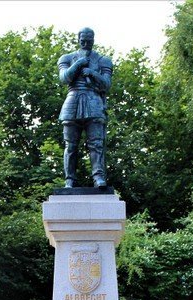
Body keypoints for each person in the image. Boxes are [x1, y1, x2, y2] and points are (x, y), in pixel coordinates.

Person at [58, 28, 112, 188]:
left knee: (96, 143)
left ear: (93, 39)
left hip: (94, 101)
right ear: (78, 39)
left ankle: (98, 178)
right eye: (83, 39)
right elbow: (64, 78)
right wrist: (79, 63)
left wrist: (93, 74)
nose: (86, 42)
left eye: (89, 39)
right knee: (70, 145)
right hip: (72, 100)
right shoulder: (67, 58)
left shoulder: (103, 60)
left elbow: (107, 84)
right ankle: (70, 180)